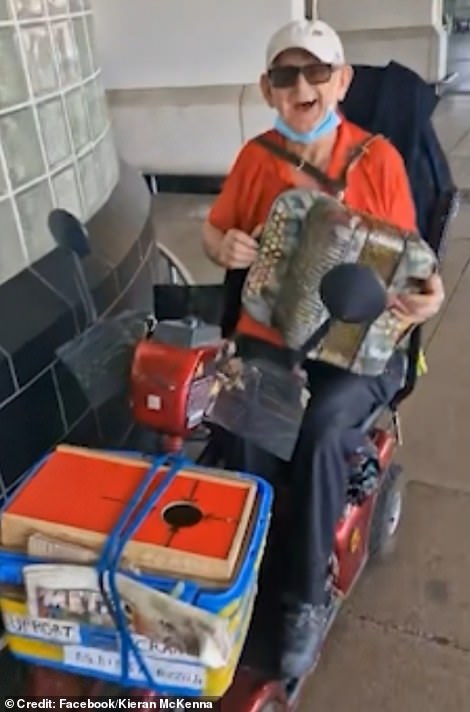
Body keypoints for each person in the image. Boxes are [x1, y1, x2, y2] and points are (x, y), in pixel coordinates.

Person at [202, 18, 445, 679]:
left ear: (343, 82)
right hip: (269, 338)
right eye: (286, 75)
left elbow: (412, 268)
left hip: (358, 347)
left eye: (316, 72)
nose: (301, 86)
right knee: (244, 430)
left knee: (319, 429)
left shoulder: (382, 160)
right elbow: (216, 230)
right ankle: (240, 581)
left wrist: (431, 298)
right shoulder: (256, 160)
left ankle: (304, 599)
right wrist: (221, 245)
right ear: (267, 88)